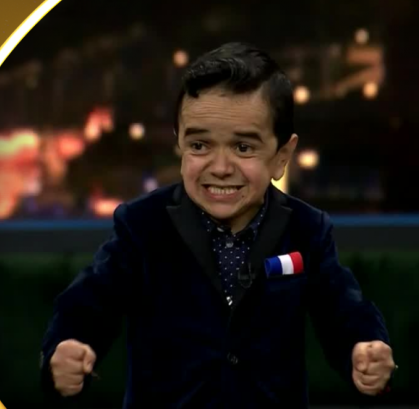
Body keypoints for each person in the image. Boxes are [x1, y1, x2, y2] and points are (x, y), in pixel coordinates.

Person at [40, 42, 396, 408]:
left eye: (243, 148)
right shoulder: (142, 225)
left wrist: (364, 347)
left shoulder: (307, 228)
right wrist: (67, 346)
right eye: (199, 146)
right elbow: (90, 301)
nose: (221, 167)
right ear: (179, 144)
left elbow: (343, 309)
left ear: (282, 157)